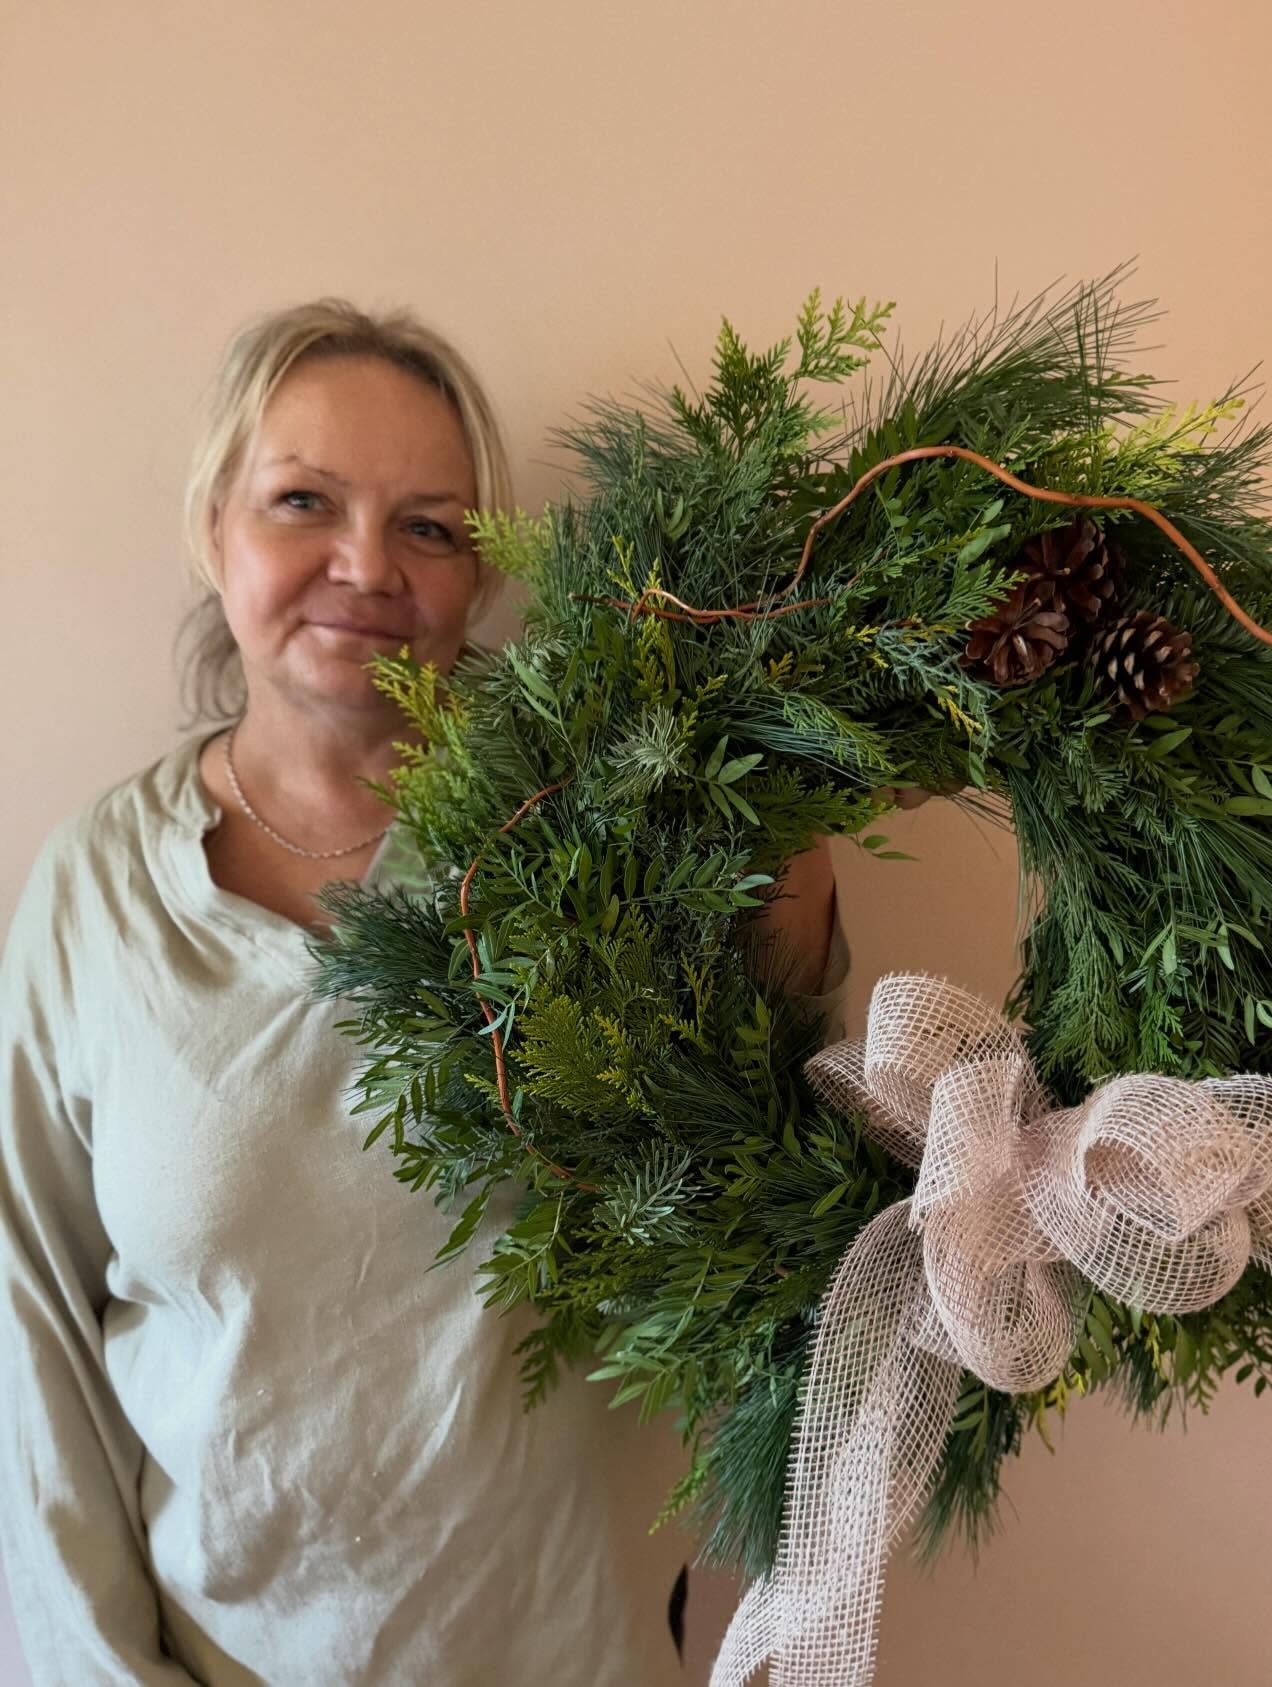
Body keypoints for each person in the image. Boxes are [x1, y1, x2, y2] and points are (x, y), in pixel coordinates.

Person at [0, 299, 850, 1686]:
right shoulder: (94, 897)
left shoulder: (598, 830)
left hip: (577, 1652)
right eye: (302, 501)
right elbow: (26, 1334)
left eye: (431, 527)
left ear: (482, 570)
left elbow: (779, 1177)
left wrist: (789, 788)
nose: (364, 566)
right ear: (213, 527)